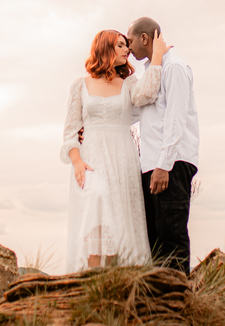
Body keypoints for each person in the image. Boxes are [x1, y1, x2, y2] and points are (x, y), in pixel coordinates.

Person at [60, 28, 169, 272]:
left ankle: (118, 278)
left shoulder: (129, 83)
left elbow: (148, 93)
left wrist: (158, 57)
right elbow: (70, 132)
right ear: (106, 48)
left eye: (126, 45)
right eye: (120, 45)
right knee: (96, 203)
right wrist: (77, 162)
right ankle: (91, 278)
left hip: (123, 157)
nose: (127, 49)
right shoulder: (80, 86)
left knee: (120, 214)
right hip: (91, 158)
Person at [127, 16, 199, 275]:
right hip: (153, 165)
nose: (128, 46)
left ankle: (179, 304)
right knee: (155, 241)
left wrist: (164, 165)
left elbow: (176, 119)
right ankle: (160, 307)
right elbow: (141, 114)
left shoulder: (175, 67)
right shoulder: (152, 69)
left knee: (172, 237)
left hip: (172, 165)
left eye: (130, 40)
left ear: (144, 38)